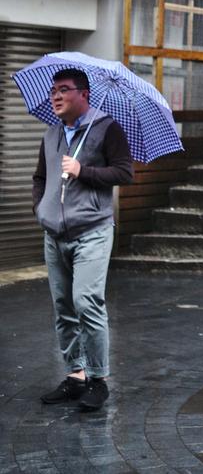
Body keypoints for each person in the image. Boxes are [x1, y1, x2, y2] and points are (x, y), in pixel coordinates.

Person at [32, 68, 133, 411]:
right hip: (54, 235)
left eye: (64, 90)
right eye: (53, 90)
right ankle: (76, 375)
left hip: (92, 230)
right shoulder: (51, 134)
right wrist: (41, 209)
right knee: (63, 307)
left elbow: (124, 172)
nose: (56, 96)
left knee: (86, 301)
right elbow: (40, 177)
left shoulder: (107, 129)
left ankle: (99, 379)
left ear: (84, 94)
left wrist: (83, 171)